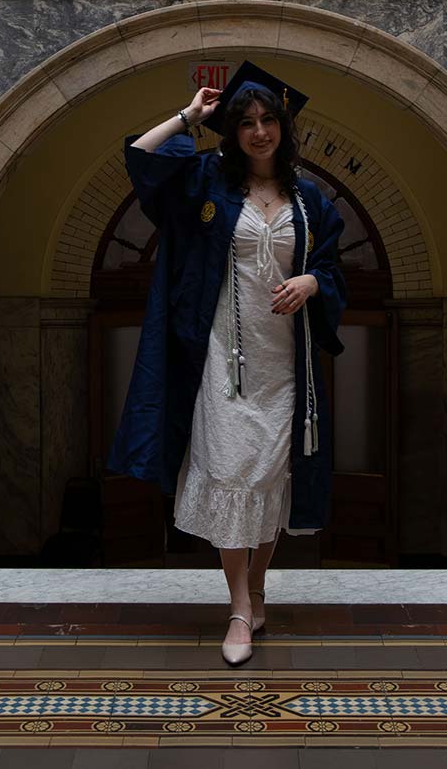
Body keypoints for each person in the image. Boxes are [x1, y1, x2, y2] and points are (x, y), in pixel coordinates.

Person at [108, 62, 346, 665]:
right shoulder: (207, 182)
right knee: (235, 473)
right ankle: (239, 606)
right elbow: (141, 157)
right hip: (220, 356)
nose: (259, 131)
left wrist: (313, 284)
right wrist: (190, 115)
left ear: (284, 128)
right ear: (232, 130)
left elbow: (334, 270)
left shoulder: (309, 197)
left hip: (286, 364)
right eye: (246, 122)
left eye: (268, 121)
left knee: (269, 481)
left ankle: (259, 587)